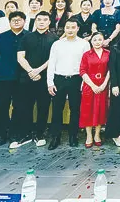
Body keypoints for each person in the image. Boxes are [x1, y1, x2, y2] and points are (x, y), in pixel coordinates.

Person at [13, 11, 57, 149]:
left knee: (43, 108)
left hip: (45, 79)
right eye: (39, 19)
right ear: (35, 21)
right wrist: (30, 71)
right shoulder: (26, 37)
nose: (42, 22)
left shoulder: (54, 39)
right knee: (25, 107)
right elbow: (20, 57)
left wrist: (38, 70)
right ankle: (25, 134)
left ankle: (40, 134)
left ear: (49, 22)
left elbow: (53, 59)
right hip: (26, 78)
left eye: (45, 19)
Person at [47, 17, 90, 149]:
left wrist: (84, 83)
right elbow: (51, 63)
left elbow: (86, 65)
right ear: (64, 29)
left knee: (75, 109)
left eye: (73, 27)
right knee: (57, 109)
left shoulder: (84, 44)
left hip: (76, 79)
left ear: (78, 28)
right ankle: (55, 137)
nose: (70, 30)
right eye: (67, 27)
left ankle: (73, 136)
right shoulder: (57, 44)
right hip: (59, 79)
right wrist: (50, 83)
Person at [0, 11, 27, 146]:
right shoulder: (0, 37)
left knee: (19, 107)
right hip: (2, 78)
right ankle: (1, 134)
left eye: (19, 19)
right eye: (13, 19)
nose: (16, 21)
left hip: (22, 79)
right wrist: (1, 66)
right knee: (2, 107)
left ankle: (15, 133)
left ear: (24, 21)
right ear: (9, 22)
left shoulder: (29, 37)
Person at [79, 32, 110, 148]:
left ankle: (97, 134)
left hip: (103, 84)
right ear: (91, 41)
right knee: (88, 110)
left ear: (103, 41)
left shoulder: (108, 53)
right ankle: (89, 135)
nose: (97, 42)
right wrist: (93, 86)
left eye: (100, 39)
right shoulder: (86, 54)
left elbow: (110, 70)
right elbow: (82, 71)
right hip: (89, 84)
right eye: (95, 40)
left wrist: (104, 84)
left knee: (100, 109)